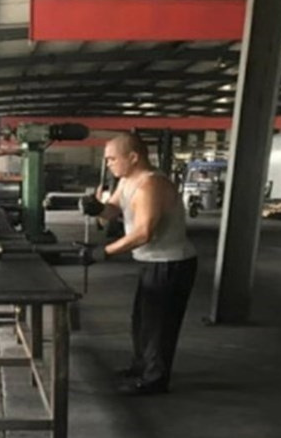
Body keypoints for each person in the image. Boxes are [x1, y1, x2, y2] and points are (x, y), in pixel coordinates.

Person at [81, 132, 198, 396]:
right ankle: (141, 367)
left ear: (133, 157)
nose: (108, 163)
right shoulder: (126, 181)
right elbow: (111, 211)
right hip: (151, 261)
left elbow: (144, 233)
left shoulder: (151, 185)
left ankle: (155, 380)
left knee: (159, 325)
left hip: (170, 263)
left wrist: (104, 252)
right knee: (142, 321)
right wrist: (97, 208)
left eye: (112, 159)